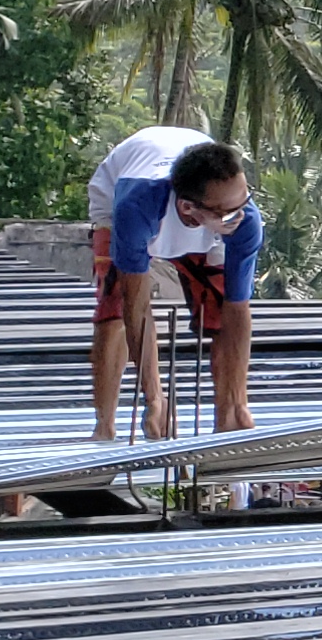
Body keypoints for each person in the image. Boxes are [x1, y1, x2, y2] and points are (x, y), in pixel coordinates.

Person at [88, 125, 262, 440]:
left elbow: (237, 309)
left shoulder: (243, 218)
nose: (239, 218)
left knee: (218, 307)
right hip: (119, 201)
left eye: (244, 204)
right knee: (113, 307)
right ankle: (104, 426)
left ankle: (227, 414)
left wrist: (239, 400)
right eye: (228, 214)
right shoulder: (135, 207)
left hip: (203, 215)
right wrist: (154, 398)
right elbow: (136, 306)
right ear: (188, 210)